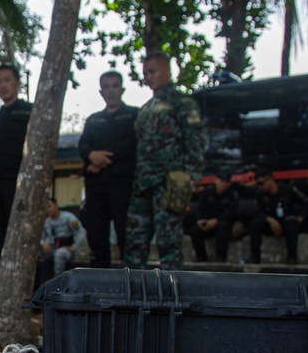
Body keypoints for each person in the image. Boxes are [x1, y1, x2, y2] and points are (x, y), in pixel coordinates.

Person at [123, 52, 206, 270]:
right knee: (135, 240)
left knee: (169, 241)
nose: (148, 77)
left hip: (169, 182)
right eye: (145, 73)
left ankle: (171, 293)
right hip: (143, 183)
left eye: (153, 71)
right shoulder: (145, 109)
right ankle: (131, 292)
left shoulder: (183, 103)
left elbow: (195, 140)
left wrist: (189, 176)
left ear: (168, 71)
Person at [78, 71, 138, 268]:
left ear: (122, 89)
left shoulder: (133, 115)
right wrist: (91, 157)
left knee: (126, 236)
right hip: (96, 187)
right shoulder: (94, 120)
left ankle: (130, 280)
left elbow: (132, 144)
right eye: (106, 86)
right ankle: (100, 281)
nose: (111, 90)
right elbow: (83, 145)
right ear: (101, 91)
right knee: (96, 236)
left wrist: (102, 160)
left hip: (122, 185)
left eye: (114, 86)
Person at [0, 63, 33, 277]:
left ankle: (30, 285)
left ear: (18, 83)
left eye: (7, 80)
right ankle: (3, 283)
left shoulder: (30, 112)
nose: (3, 86)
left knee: (21, 236)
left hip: (19, 183)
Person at [249, 168, 307, 264]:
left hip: (286, 223)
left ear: (270, 179)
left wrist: (300, 218)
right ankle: (255, 257)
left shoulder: (288, 190)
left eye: (261, 183)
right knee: (256, 223)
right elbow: (258, 211)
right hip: (271, 224)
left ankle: (292, 257)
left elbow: (305, 204)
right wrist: (269, 219)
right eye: (257, 184)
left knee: (292, 223)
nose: (260, 187)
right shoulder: (260, 195)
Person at [188, 171, 239, 262]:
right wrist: (200, 221)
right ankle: (201, 257)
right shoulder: (207, 193)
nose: (223, 183)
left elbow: (230, 213)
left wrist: (216, 220)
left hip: (222, 224)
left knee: (223, 226)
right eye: (221, 180)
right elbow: (200, 209)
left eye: (226, 181)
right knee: (195, 230)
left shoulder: (232, 195)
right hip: (207, 224)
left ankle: (221, 257)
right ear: (216, 180)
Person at [40, 198, 86, 277]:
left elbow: (80, 232)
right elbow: (41, 237)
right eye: (46, 208)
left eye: (49, 206)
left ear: (56, 206)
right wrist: (43, 243)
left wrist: (74, 247)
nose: (48, 210)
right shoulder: (47, 222)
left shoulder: (68, 217)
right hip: (52, 249)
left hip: (66, 249)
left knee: (60, 254)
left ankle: (58, 280)